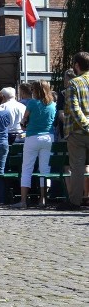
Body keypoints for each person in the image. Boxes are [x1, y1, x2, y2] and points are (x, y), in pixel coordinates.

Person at [13, 81, 56, 209]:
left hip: (32, 137)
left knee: (27, 169)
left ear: (35, 90)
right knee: (45, 169)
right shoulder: (53, 104)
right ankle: (43, 199)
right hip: (48, 137)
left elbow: (24, 120)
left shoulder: (32, 103)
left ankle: (23, 201)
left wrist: (23, 124)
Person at [58, 51, 89, 210]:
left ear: (77, 65)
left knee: (77, 168)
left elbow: (75, 109)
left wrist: (86, 125)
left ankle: (75, 201)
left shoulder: (74, 84)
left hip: (77, 132)